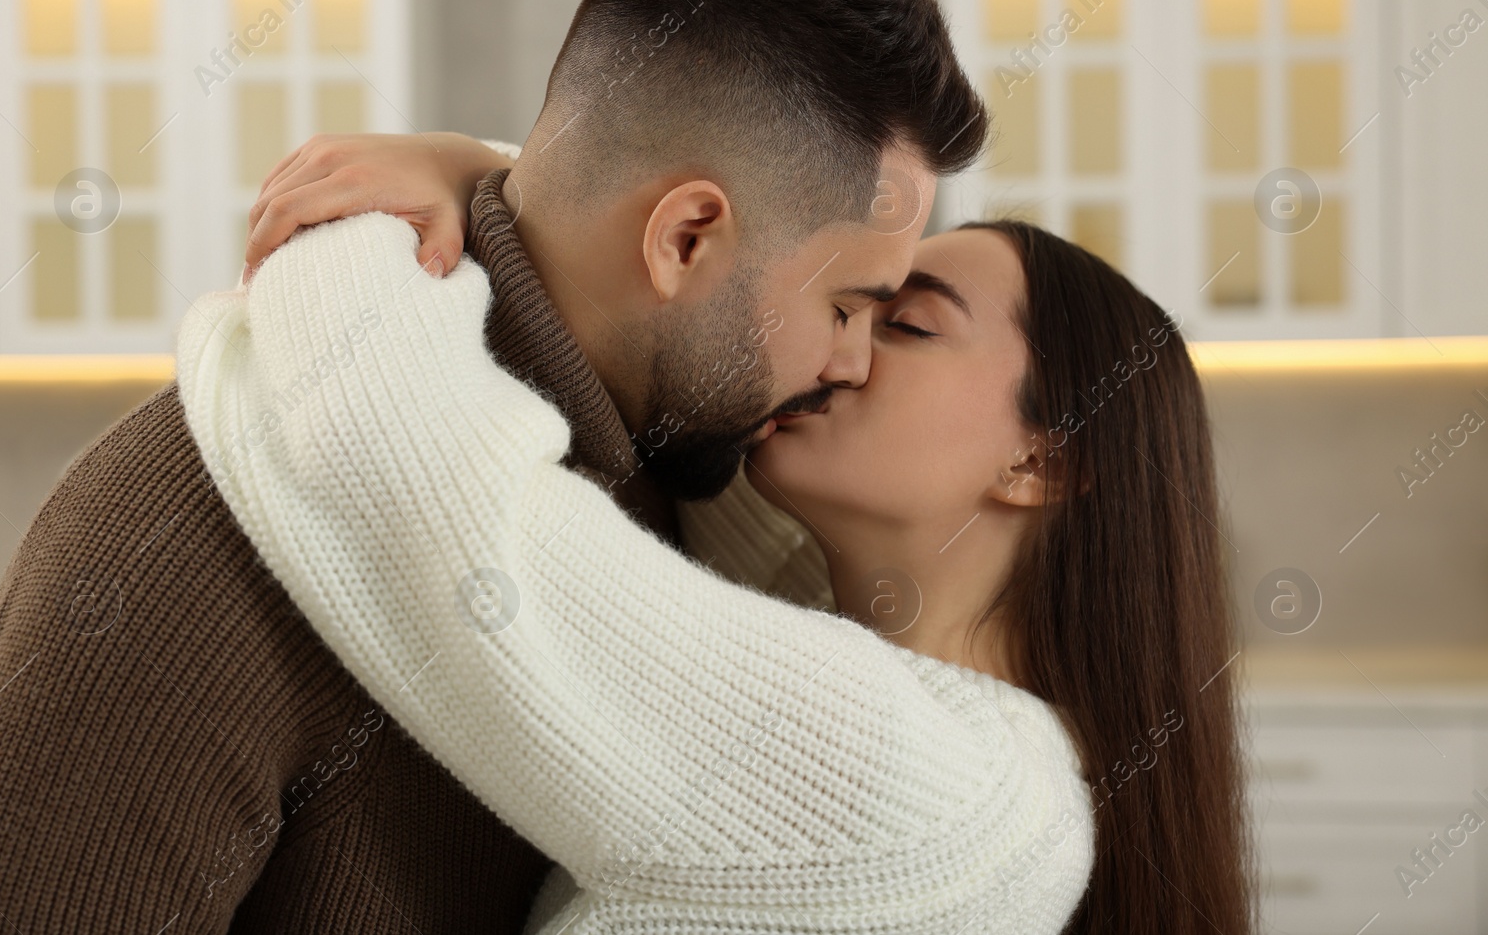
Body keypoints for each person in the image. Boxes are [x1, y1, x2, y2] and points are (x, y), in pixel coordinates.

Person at [0, 0, 987, 933]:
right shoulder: (185, 538)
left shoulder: (687, 474)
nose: (851, 363)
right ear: (686, 239)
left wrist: (472, 165)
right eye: (845, 306)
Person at [177, 172, 1255, 931]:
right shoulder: (954, 732)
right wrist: (484, 175)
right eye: (847, 300)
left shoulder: (919, 781)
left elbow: (426, 483)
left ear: (1041, 460)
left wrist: (352, 230)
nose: (837, 344)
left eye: (902, 322)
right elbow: (672, 260)